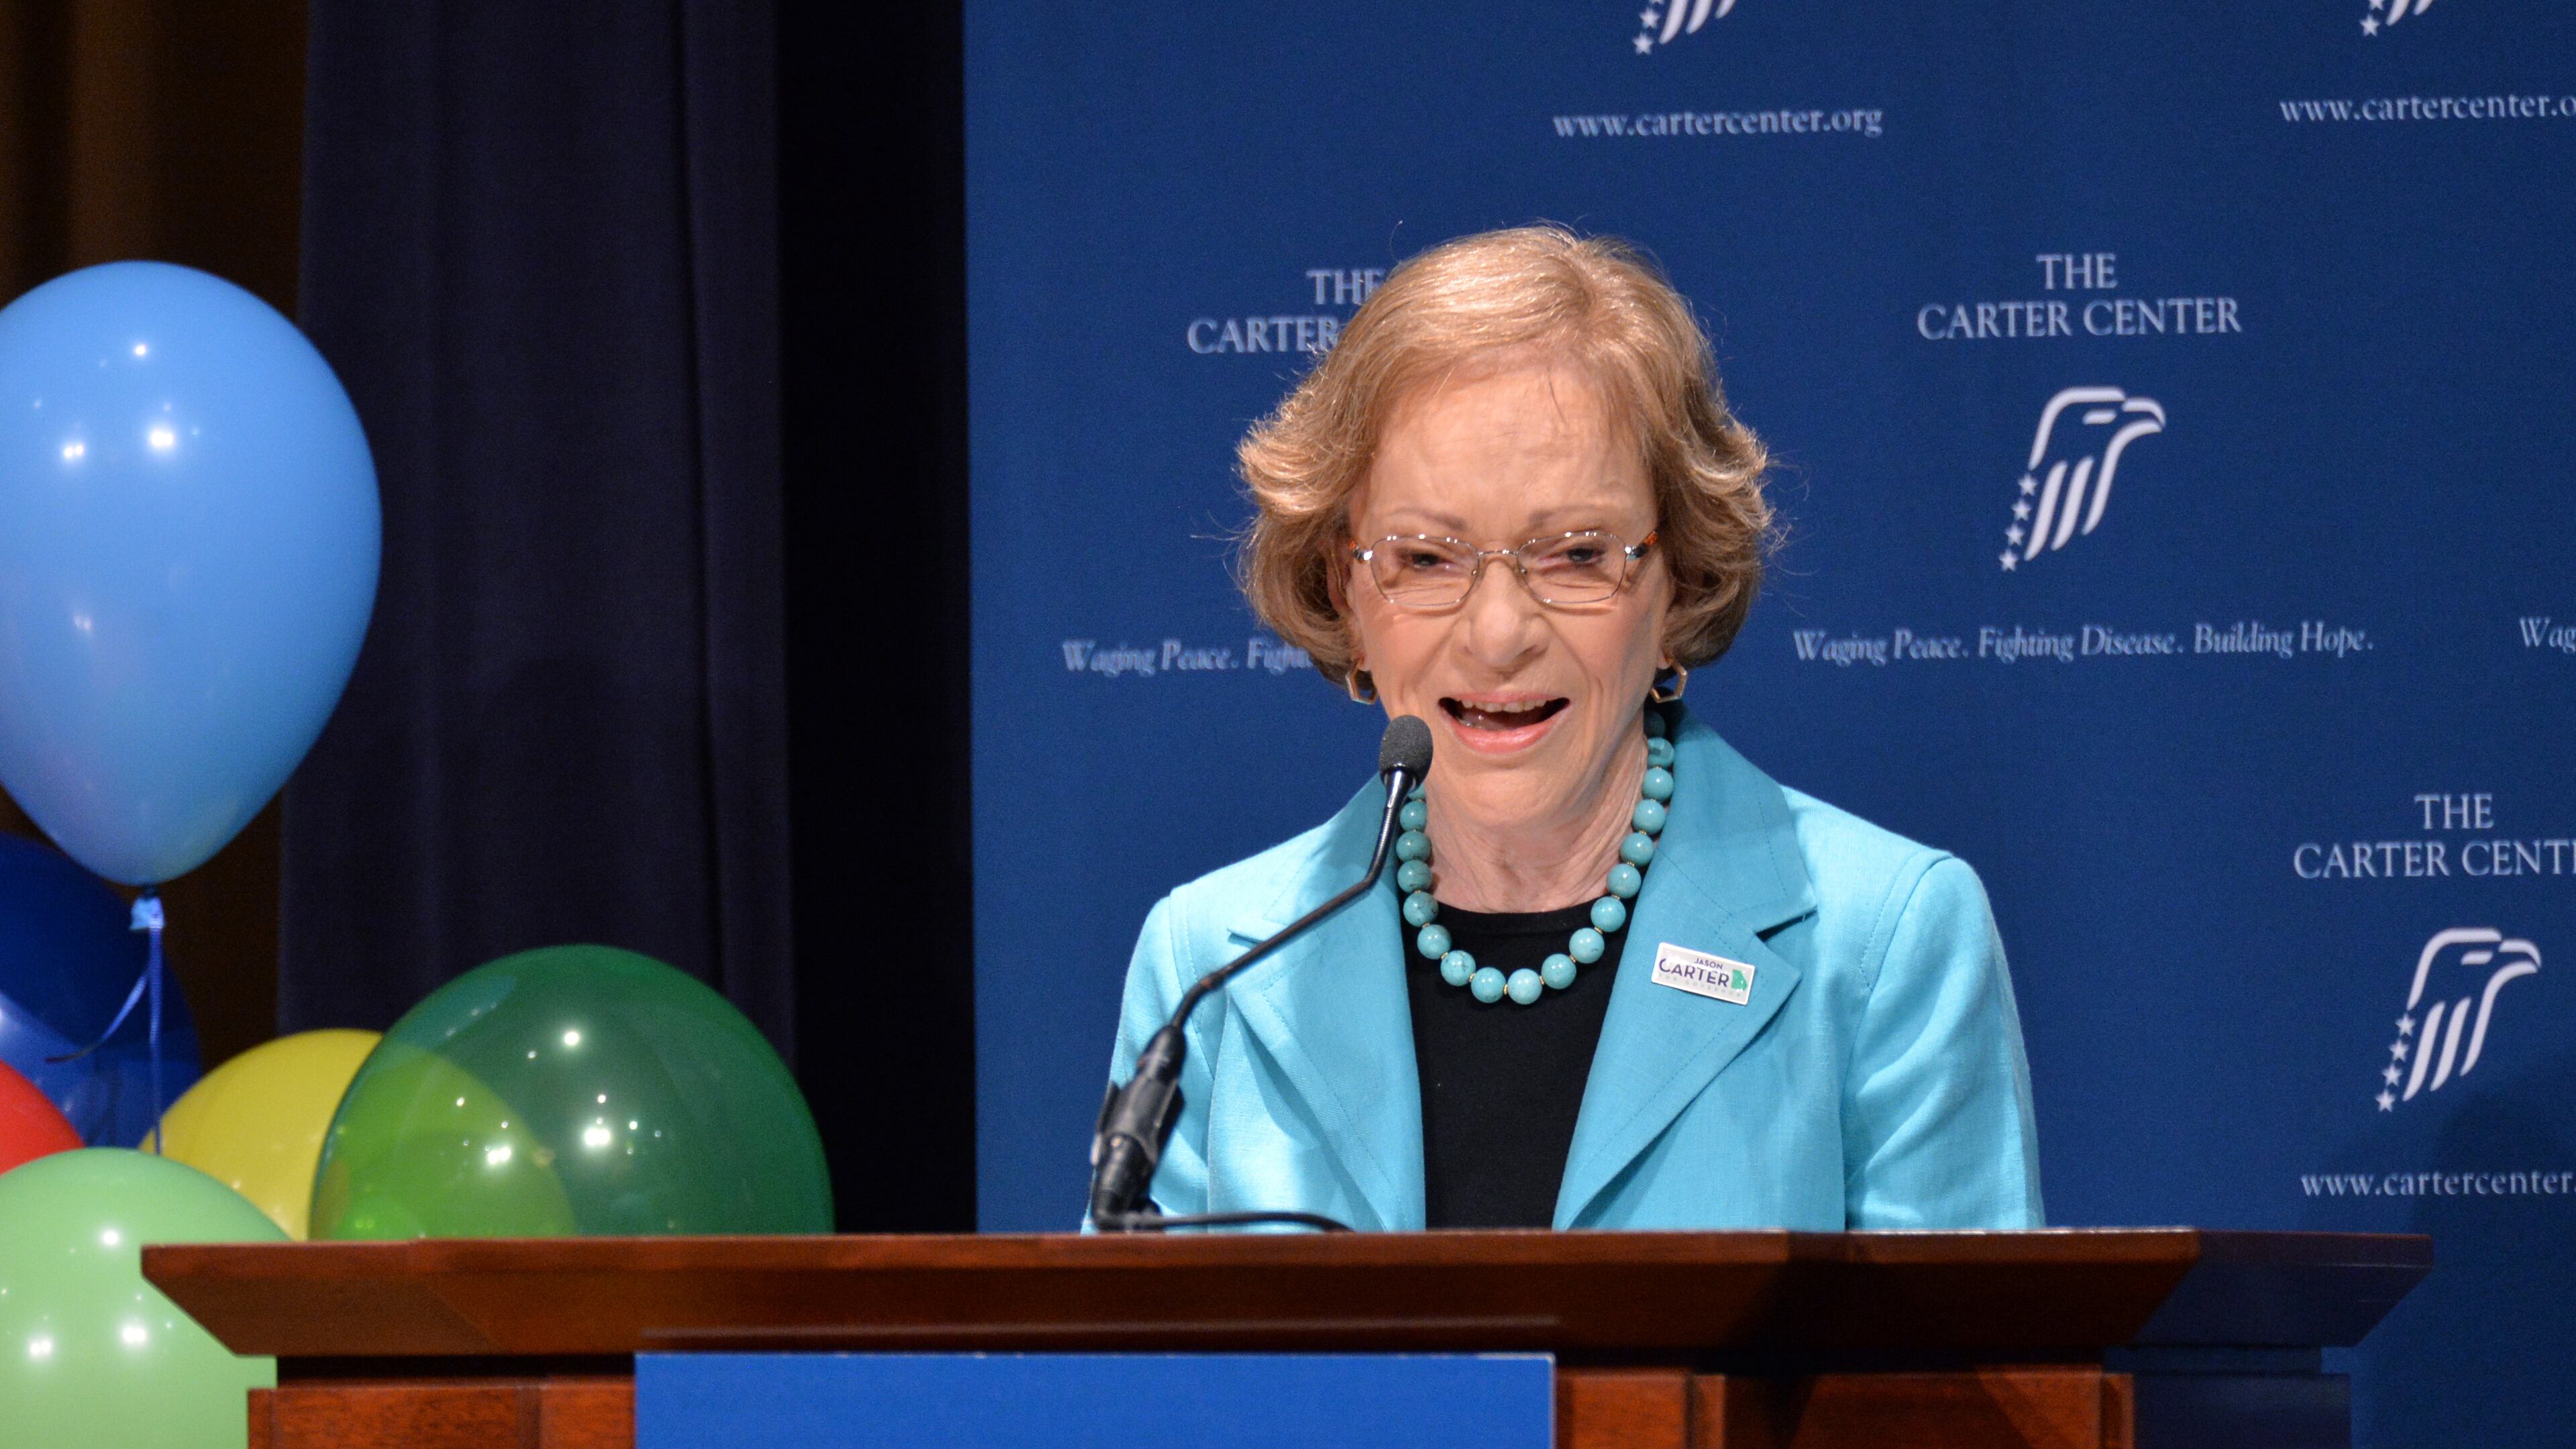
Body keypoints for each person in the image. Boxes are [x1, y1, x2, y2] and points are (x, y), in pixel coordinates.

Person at [1103, 226, 2042, 1231]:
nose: (1499, 633)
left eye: (1576, 556)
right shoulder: (1210, 968)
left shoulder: (1887, 942)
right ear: (1345, 592)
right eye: (1425, 558)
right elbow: (1142, 1383)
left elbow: (1958, 1386)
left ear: (1677, 584)